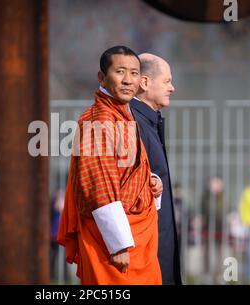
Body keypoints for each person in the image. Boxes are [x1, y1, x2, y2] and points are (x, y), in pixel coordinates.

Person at [57, 46, 162, 284]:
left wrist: (150, 181)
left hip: (136, 234)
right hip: (112, 243)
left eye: (134, 73)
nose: (128, 80)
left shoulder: (123, 113)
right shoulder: (98, 118)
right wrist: (118, 245)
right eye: (120, 71)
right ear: (102, 77)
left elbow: (125, 169)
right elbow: (98, 184)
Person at [129, 53, 182, 285]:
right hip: (146, 251)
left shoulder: (148, 121)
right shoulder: (133, 123)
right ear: (145, 83)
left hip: (157, 246)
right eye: (167, 81)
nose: (172, 88)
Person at [200, 176, 225, 283]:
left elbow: (224, 211)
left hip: (221, 229)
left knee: (219, 253)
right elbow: (204, 210)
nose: (215, 186)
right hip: (208, 229)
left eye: (217, 183)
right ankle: (207, 274)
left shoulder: (224, 197)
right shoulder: (206, 197)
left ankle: (219, 275)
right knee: (207, 253)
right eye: (214, 183)